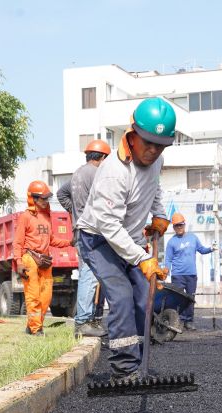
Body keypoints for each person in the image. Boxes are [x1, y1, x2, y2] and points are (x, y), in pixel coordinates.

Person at [76, 97, 175, 382]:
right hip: (98, 239)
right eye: (148, 143)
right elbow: (108, 226)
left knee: (144, 297)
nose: (154, 151)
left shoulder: (157, 160)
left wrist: (159, 214)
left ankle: (138, 361)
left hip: (128, 240)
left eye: (161, 145)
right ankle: (124, 367)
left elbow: (155, 188)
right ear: (132, 135)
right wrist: (143, 258)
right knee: (120, 296)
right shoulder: (114, 172)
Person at [57, 139, 111, 337]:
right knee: (89, 276)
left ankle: (88, 320)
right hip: (92, 232)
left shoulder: (78, 173)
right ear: (103, 157)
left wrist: (74, 212)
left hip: (80, 231)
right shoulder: (98, 173)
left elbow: (61, 193)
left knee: (90, 275)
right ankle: (82, 322)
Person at [14, 181, 73, 336]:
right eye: (43, 198)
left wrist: (70, 242)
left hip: (45, 260)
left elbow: (51, 239)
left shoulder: (47, 217)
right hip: (29, 259)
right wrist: (19, 263)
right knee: (33, 295)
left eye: (47, 198)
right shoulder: (25, 217)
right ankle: (36, 329)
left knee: (46, 297)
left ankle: (32, 325)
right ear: (33, 198)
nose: (46, 201)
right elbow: (18, 243)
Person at [164, 212, 215, 330]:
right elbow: (168, 259)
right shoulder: (171, 242)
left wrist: (211, 248)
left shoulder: (193, 238)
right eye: (177, 226)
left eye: (181, 225)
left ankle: (189, 321)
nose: (179, 227)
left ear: (184, 225)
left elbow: (202, 250)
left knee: (190, 298)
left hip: (191, 274)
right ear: (174, 227)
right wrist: (166, 270)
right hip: (178, 275)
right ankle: (179, 321)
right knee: (178, 299)